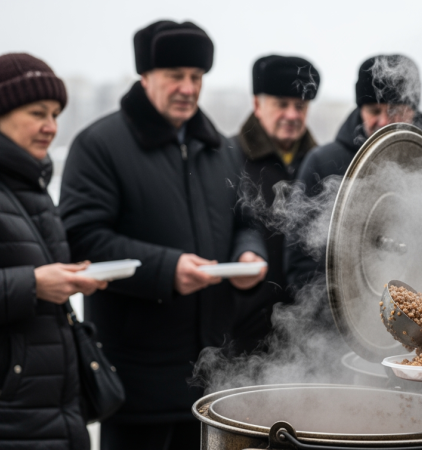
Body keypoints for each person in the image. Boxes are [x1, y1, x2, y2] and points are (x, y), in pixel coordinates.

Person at [59, 21, 267, 450]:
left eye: (196, 77)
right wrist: (165, 269)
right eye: (175, 75)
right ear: (145, 76)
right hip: (136, 378)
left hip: (211, 375)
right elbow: (80, 238)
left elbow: (247, 222)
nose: (188, 88)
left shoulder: (222, 149)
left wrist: (248, 256)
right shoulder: (99, 145)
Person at [0, 53, 107, 449]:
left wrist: (63, 279)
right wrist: (33, 285)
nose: (51, 127)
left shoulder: (26, 180)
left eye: (56, 114)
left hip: (42, 412)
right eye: (38, 113)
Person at [285, 54, 422, 289]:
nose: (385, 121)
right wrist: (347, 311)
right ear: (360, 110)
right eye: (374, 111)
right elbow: (300, 261)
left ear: (413, 111)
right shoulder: (324, 163)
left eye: (395, 110)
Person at [228, 55, 321, 354]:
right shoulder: (227, 159)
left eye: (301, 106)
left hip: (308, 332)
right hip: (242, 332)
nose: (292, 115)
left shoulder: (321, 165)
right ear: (257, 104)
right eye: (282, 104)